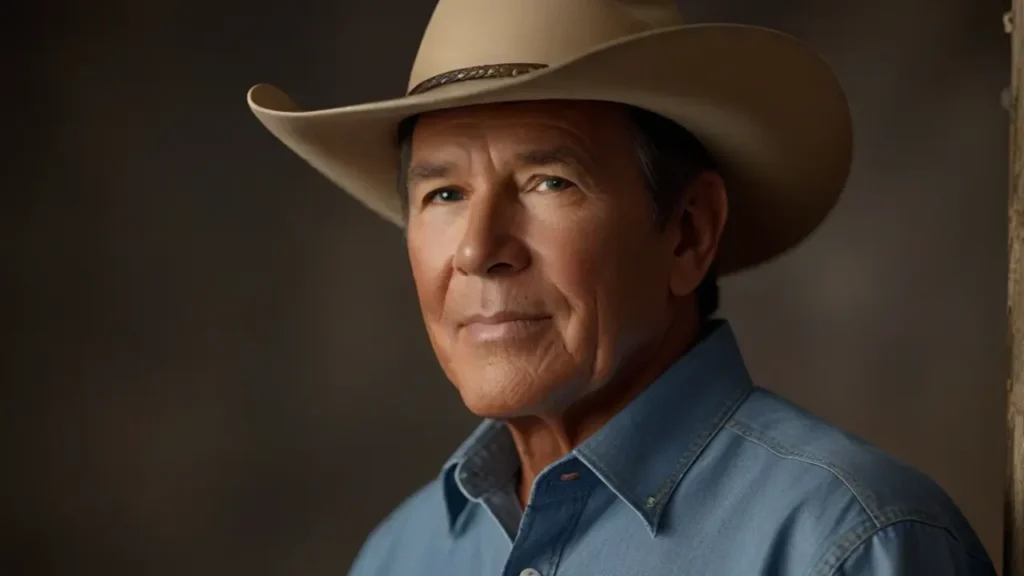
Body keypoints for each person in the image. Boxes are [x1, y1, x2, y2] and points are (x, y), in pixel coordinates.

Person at [246, 0, 997, 574]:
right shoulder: (400, 557)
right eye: (443, 195)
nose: (478, 250)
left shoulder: (851, 544)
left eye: (549, 180)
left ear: (688, 232)